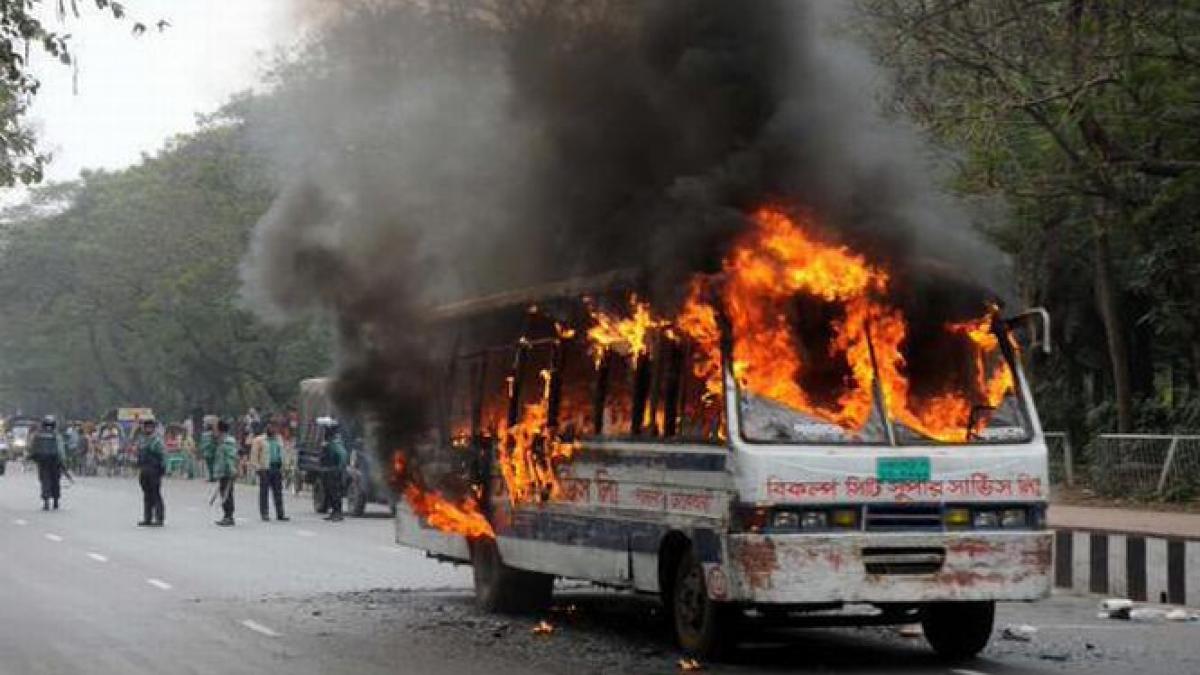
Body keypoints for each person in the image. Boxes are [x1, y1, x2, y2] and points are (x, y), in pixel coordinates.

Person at [250, 419, 290, 522]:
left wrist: (286, 467)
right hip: (265, 469)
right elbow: (254, 456)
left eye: (275, 427)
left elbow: (283, 453)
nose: (273, 429)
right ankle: (265, 513)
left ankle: (280, 514)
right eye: (271, 427)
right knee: (264, 493)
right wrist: (258, 468)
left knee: (278, 492)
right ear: (267, 428)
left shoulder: (279, 439)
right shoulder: (259, 440)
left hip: (277, 468)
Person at [30, 416, 66, 510]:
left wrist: (34, 458)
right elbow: (61, 450)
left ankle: (46, 501)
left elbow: (32, 448)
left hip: (43, 462)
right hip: (55, 461)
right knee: (55, 480)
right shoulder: (56, 435)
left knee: (44, 480)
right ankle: (55, 501)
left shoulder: (38, 435)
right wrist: (63, 461)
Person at [135, 418, 166, 527]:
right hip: (144, 470)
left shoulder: (157, 440)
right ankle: (147, 518)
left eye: (150, 427)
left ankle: (159, 518)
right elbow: (139, 454)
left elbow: (163, 455)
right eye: (146, 427)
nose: (148, 429)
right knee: (147, 495)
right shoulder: (142, 440)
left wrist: (162, 469)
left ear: (153, 428)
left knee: (156, 494)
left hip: (154, 470)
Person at [319, 418, 347, 522]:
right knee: (329, 492)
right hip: (328, 470)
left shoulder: (335, 443)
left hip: (333, 471)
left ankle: (338, 513)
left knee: (335, 493)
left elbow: (342, 456)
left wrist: (338, 469)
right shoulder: (328, 443)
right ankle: (334, 512)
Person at [212, 420, 239, 527]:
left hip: (227, 472)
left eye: (215, 429)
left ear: (220, 430)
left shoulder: (227, 442)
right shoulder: (222, 441)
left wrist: (232, 470)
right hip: (223, 472)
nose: (214, 431)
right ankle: (226, 516)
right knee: (224, 493)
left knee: (227, 494)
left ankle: (229, 516)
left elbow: (230, 457)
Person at [199, 416, 217, 482]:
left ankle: (212, 477)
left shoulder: (210, 434)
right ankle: (212, 477)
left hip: (210, 451)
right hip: (209, 451)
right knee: (211, 464)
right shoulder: (208, 434)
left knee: (211, 464)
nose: (204, 426)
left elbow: (202, 443)